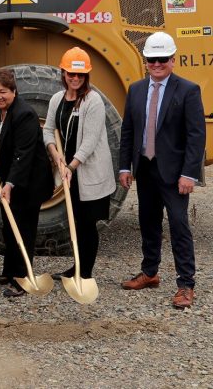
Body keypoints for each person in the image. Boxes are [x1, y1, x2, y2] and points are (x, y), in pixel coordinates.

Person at [118, 32, 205, 309]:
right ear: (145, 61)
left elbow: (196, 135)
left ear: (173, 60)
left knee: (179, 225)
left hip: (175, 173)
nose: (157, 64)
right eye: (151, 59)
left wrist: (189, 174)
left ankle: (186, 285)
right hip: (145, 169)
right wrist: (124, 166)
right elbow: (128, 131)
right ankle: (150, 272)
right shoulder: (136, 90)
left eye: (162, 59)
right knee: (148, 221)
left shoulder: (188, 91)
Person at [0, 68, 53, 298]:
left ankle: (23, 279)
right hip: (6, 180)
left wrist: (10, 184)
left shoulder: (25, 114)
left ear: (14, 91)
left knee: (23, 231)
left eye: (2, 92)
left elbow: (24, 153)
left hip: (27, 183)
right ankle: (9, 272)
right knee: (9, 228)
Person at [43, 48, 115, 282]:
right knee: (74, 222)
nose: (75, 78)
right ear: (63, 73)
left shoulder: (93, 101)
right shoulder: (57, 99)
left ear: (86, 76)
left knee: (87, 223)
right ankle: (75, 266)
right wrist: (56, 156)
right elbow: (48, 130)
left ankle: (84, 273)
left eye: (80, 75)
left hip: (88, 172)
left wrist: (71, 167)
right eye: (70, 74)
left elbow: (90, 142)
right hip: (68, 170)